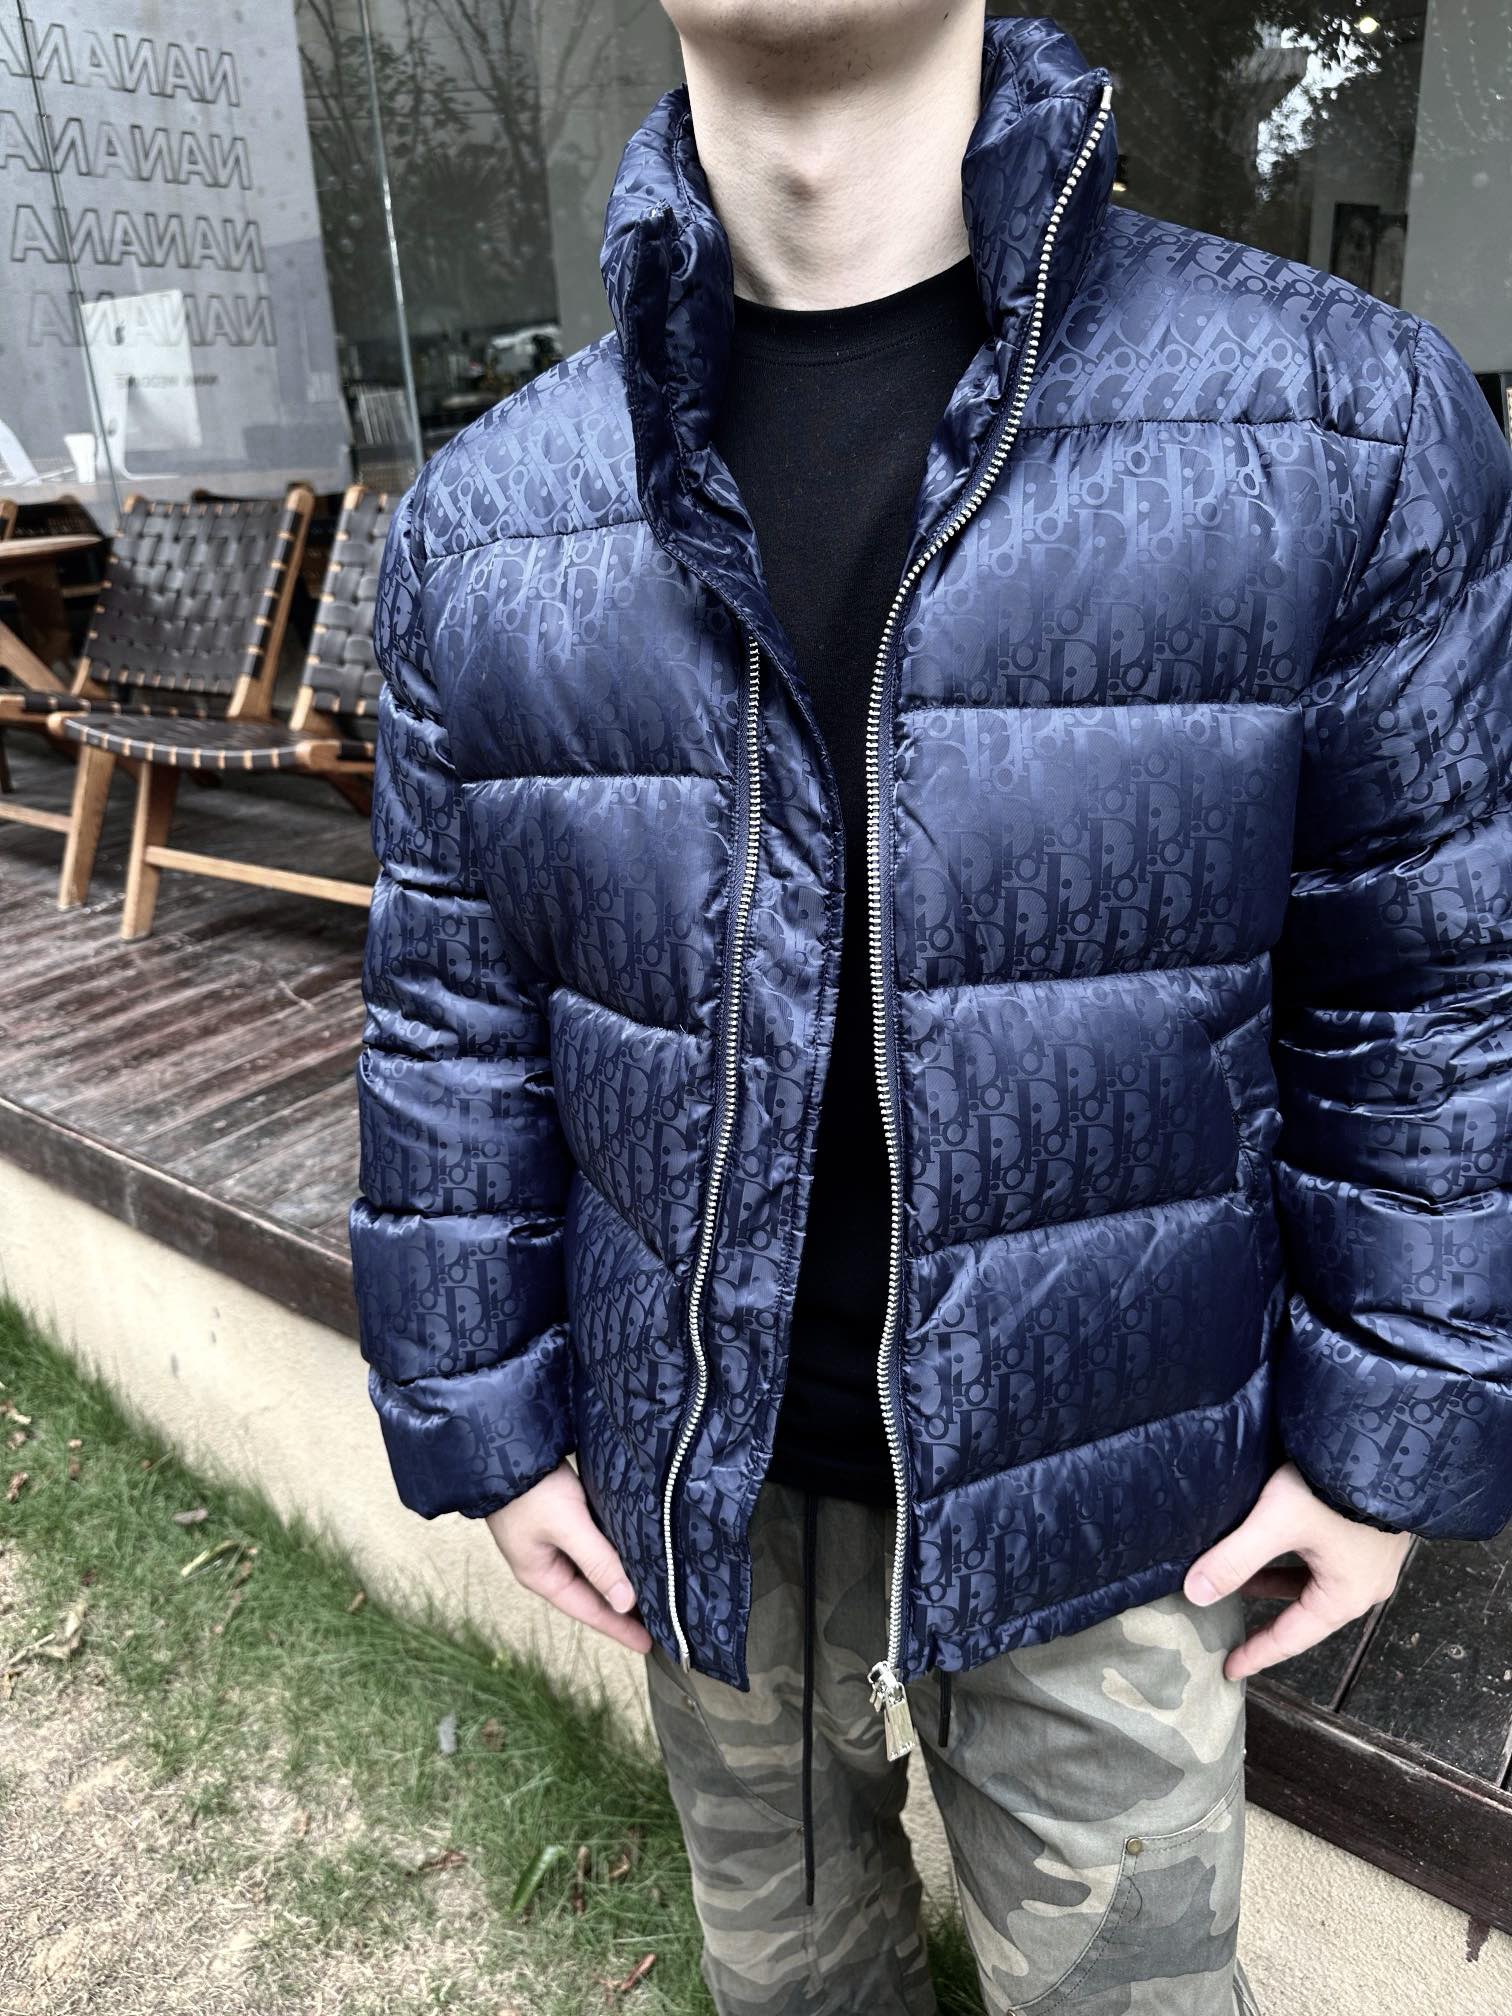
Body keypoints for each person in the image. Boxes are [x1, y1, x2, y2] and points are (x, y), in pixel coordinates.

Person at [348, 7, 1512, 2011]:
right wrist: (489, 1419)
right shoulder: (488, 518)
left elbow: (1428, 984)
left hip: (1116, 1493)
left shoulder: (1335, 422)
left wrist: (1389, 1430)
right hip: (693, 1494)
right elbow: (453, 1015)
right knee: (790, 1982)